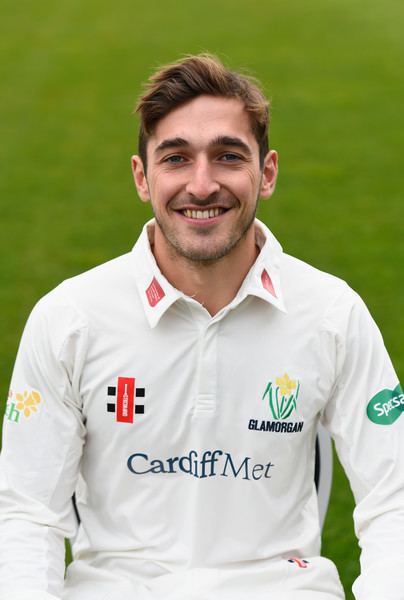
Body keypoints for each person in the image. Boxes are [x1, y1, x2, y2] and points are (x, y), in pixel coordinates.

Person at [0, 54, 403, 600]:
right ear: (143, 177)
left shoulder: (332, 312)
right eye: (176, 158)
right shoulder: (69, 318)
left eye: (228, 156)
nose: (203, 183)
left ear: (267, 172)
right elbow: (26, 514)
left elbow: (393, 495)